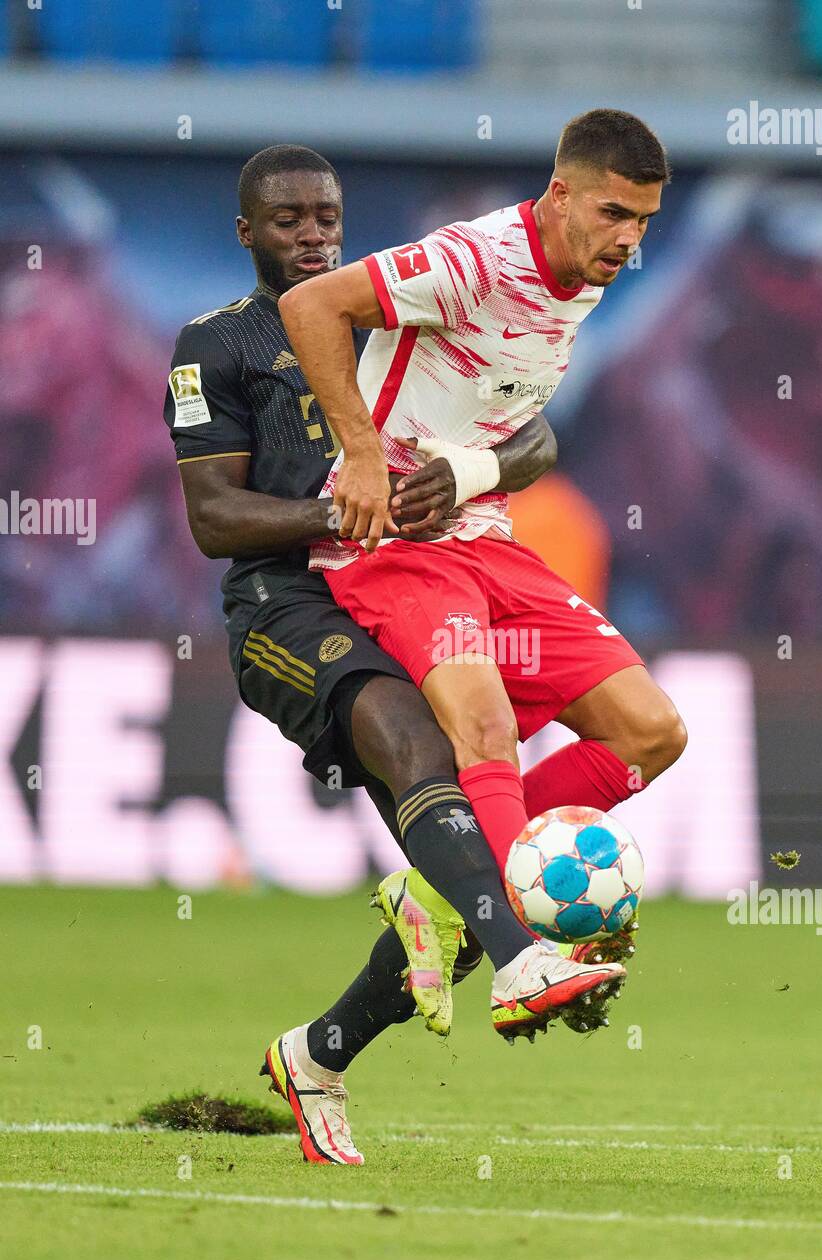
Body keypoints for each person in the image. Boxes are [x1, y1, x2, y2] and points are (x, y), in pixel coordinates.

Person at [165, 145, 626, 1166]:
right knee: (426, 751)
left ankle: (319, 1052)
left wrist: (469, 468)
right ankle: (521, 955)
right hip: (286, 605)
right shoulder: (215, 345)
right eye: (287, 222)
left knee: (451, 864)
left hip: (410, 580)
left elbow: (535, 434)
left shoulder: (392, 302)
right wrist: (338, 506)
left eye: (325, 218)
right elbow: (212, 516)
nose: (311, 237)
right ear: (248, 234)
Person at [278, 108, 688, 980]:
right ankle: (522, 953)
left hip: (486, 540)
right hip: (394, 547)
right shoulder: (475, 261)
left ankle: (444, 890)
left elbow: (518, 422)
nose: (629, 240)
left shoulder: (582, 279)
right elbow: (310, 303)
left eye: (645, 221)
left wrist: (473, 473)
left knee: (651, 733)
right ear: (560, 193)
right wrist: (358, 454)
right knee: (485, 724)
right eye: (614, 214)